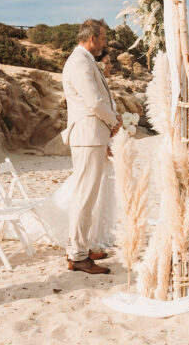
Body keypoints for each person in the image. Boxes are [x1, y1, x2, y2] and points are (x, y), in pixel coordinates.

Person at [60, 19, 121, 275]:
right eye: (103, 38)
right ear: (92, 38)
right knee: (84, 197)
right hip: (87, 136)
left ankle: (80, 247)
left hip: (93, 136)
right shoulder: (78, 62)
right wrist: (114, 121)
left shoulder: (84, 60)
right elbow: (95, 102)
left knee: (88, 196)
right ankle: (77, 255)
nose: (105, 43)